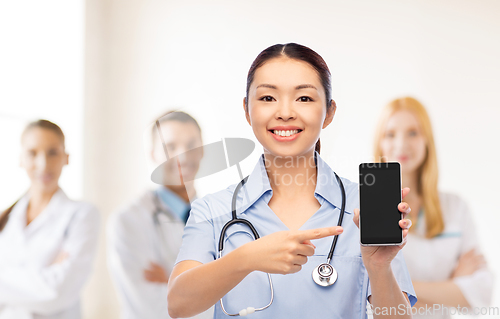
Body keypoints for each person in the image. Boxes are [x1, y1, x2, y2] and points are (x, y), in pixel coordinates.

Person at [167, 43, 417, 319]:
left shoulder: (363, 207)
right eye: (268, 98)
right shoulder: (213, 211)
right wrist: (246, 258)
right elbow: (178, 304)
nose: (285, 112)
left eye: (304, 99)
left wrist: (379, 267)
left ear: (329, 112)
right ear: (247, 110)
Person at [373, 97, 494, 318]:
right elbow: (369, 297)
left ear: (427, 139)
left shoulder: (455, 207)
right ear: (379, 142)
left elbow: (482, 291)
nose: (401, 144)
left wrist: (399, 289)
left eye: (413, 132)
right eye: (390, 134)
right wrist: (451, 286)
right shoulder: (364, 209)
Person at [107, 111, 213, 319]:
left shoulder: (220, 216)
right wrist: (210, 289)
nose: (183, 156)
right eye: (170, 147)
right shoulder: (128, 221)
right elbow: (150, 308)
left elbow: (240, 296)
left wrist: (173, 285)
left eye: (192, 145)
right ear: (153, 154)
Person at [0, 119, 100, 319]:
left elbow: (57, 291)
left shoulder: (82, 215)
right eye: (32, 153)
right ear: (21, 159)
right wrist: (41, 277)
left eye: (53, 152)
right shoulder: (7, 219)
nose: (43, 164)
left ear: (66, 158)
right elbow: (46, 287)